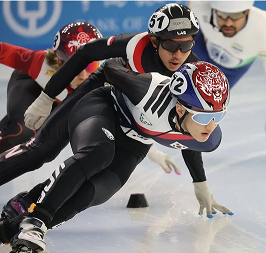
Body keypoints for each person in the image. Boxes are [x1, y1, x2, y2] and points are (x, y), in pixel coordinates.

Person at [3, 59, 233, 253]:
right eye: (204, 118)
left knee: (96, 192)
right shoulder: (147, 91)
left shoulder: (208, 136)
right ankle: (35, 222)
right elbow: (112, 66)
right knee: (99, 153)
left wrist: (200, 183)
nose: (211, 126)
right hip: (103, 108)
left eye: (218, 116)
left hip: (134, 140)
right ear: (181, 109)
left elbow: (190, 143)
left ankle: (11, 228)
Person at [0, 3, 200, 189]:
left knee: (93, 162)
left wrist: (200, 181)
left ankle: (31, 206)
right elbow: (84, 53)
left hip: (103, 107)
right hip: (68, 91)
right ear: (155, 41)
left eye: (186, 46)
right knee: (33, 143)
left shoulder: (189, 73)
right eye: (172, 46)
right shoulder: (134, 45)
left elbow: (186, 125)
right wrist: (46, 97)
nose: (178, 54)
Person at [0, 21, 102, 153]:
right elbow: (3, 51)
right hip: (29, 84)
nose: (83, 76)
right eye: (76, 68)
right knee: (23, 129)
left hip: (53, 100)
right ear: (60, 63)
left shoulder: (104, 75)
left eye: (90, 67)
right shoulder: (40, 63)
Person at [189, 0, 266, 87]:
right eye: (222, 14)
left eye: (235, 15)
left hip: (231, 70)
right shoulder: (200, 6)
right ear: (214, 11)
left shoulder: (263, 29)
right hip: (202, 47)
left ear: (247, 12)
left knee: (206, 98)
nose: (228, 23)